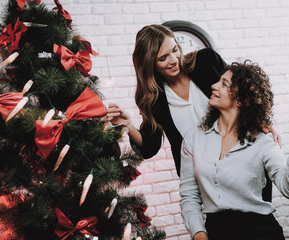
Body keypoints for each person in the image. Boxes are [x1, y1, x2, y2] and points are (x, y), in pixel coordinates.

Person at [106, 24, 278, 201]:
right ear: (150, 64)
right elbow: (150, 146)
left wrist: (261, 121)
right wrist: (128, 125)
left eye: (175, 50)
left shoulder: (206, 61)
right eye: (163, 58)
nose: (173, 60)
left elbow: (240, 93)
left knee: (261, 221)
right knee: (225, 227)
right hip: (207, 180)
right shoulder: (154, 100)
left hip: (246, 161)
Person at [180, 60, 289, 240]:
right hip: (216, 232)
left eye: (224, 84)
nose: (213, 86)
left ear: (241, 100)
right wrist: (199, 234)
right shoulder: (194, 138)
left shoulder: (262, 141)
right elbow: (189, 196)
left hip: (261, 233)